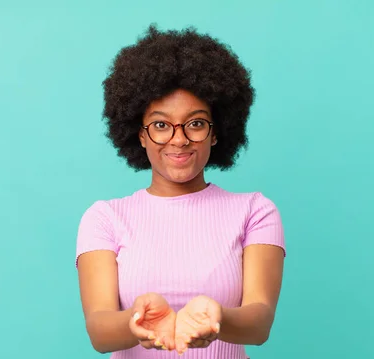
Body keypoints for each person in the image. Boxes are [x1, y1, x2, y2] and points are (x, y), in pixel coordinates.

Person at [75, 24, 286, 359]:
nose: (179, 139)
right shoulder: (105, 218)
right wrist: (135, 323)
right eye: (161, 125)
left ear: (216, 132)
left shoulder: (254, 211)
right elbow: (99, 331)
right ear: (139, 134)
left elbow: (259, 322)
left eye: (196, 123)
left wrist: (217, 318)